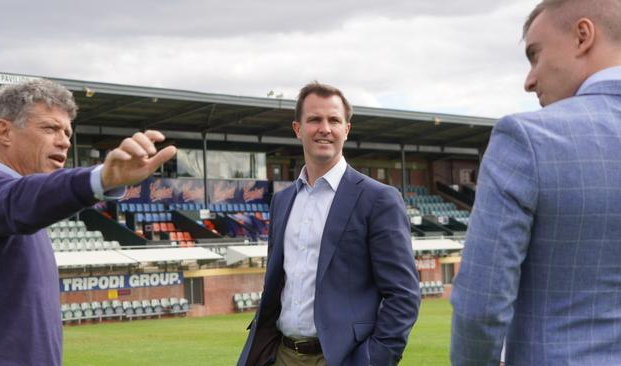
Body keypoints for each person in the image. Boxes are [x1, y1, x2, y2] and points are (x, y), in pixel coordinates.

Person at [451, 0, 621, 364]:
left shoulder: (526, 138)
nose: (529, 80)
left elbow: (480, 306)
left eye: (534, 55)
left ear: (582, 36)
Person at [0, 78, 176, 365]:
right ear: (4, 131)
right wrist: (100, 178)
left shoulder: (29, 211)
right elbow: (25, 198)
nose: (65, 140)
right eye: (50, 128)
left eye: (67, 132)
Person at [237, 82, 420, 366]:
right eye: (314, 119)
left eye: (334, 120)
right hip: (281, 354)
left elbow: (403, 295)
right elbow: (276, 283)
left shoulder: (378, 199)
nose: (325, 128)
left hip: (339, 358)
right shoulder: (282, 200)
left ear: (346, 129)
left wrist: (374, 360)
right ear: (298, 129)